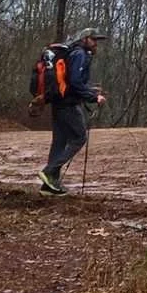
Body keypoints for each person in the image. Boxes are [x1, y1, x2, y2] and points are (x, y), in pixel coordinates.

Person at [39, 25, 108, 195]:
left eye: (97, 41)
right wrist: (93, 97)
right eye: (93, 40)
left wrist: (91, 90)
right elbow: (75, 82)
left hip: (58, 102)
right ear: (84, 40)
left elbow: (72, 82)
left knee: (59, 142)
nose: (95, 44)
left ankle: (49, 186)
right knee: (79, 138)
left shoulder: (72, 53)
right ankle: (49, 171)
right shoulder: (79, 54)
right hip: (68, 104)